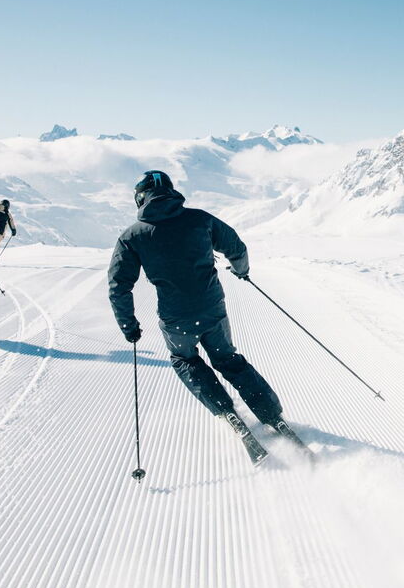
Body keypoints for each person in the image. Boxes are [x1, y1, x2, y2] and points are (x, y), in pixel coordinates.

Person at [108, 170, 300, 465]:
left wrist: (129, 325)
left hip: (176, 318)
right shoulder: (200, 219)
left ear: (140, 197)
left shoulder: (132, 236)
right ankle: (272, 416)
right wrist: (241, 270)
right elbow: (235, 246)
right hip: (212, 308)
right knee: (228, 360)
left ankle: (227, 413)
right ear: (170, 192)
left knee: (185, 361)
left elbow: (119, 285)